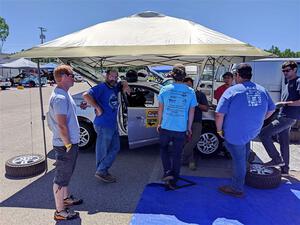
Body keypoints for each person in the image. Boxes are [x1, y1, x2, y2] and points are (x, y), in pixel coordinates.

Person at [215, 63, 275, 197]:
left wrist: (219, 131)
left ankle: (237, 188)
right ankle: (244, 175)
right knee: (245, 152)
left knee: (239, 160)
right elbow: (271, 108)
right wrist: (260, 120)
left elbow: (219, 114)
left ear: (237, 75)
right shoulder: (262, 89)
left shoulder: (232, 90)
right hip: (252, 130)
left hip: (234, 133)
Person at [48, 65, 83, 221]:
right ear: (62, 77)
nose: (73, 77)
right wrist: (68, 144)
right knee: (61, 178)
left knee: (66, 174)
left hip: (69, 143)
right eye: (71, 74)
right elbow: (61, 125)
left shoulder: (65, 94)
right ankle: (60, 211)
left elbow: (67, 116)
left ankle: (66, 198)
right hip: (64, 145)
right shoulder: (60, 98)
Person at [82, 69, 130, 183]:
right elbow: (86, 95)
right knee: (102, 151)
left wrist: (126, 84)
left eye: (115, 76)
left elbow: (122, 82)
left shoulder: (114, 87)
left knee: (115, 147)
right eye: (111, 76)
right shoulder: (101, 87)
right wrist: (97, 107)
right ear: (106, 76)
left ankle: (102, 169)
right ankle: (102, 171)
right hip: (103, 125)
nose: (113, 78)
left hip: (112, 125)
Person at [157, 64, 197, 189]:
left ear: (172, 75)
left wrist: (159, 123)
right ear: (184, 76)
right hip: (180, 128)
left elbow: (160, 109)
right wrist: (189, 128)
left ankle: (167, 171)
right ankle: (174, 180)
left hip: (166, 126)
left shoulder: (165, 89)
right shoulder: (190, 91)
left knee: (163, 149)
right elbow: (191, 112)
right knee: (177, 154)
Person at [259, 61, 300, 175]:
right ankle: (285, 169)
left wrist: (284, 103)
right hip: (285, 115)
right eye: (283, 71)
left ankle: (276, 159)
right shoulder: (288, 83)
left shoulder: (298, 81)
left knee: (264, 134)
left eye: (287, 70)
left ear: (295, 69)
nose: (285, 73)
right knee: (284, 142)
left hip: (288, 117)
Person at [181, 77, 209, 170]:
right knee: (186, 142)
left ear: (193, 85)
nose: (187, 88)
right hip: (183, 121)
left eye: (189, 85)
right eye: (185, 86)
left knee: (194, 140)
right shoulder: (182, 95)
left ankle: (182, 156)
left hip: (196, 121)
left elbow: (206, 108)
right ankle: (190, 161)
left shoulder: (200, 94)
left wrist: (196, 104)